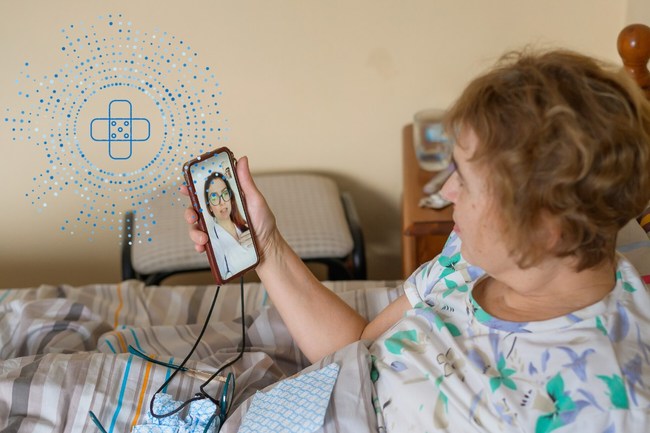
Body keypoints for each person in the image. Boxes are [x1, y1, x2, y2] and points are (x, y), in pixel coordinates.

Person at [183, 49, 650, 431]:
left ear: (548, 227)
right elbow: (359, 347)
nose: (445, 193)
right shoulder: (469, 260)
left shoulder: (603, 400)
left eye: (465, 181)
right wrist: (263, 244)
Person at [203, 172, 254, 279]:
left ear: (231, 198)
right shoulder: (212, 241)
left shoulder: (248, 227)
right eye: (214, 197)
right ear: (210, 207)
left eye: (225, 193)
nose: (222, 202)